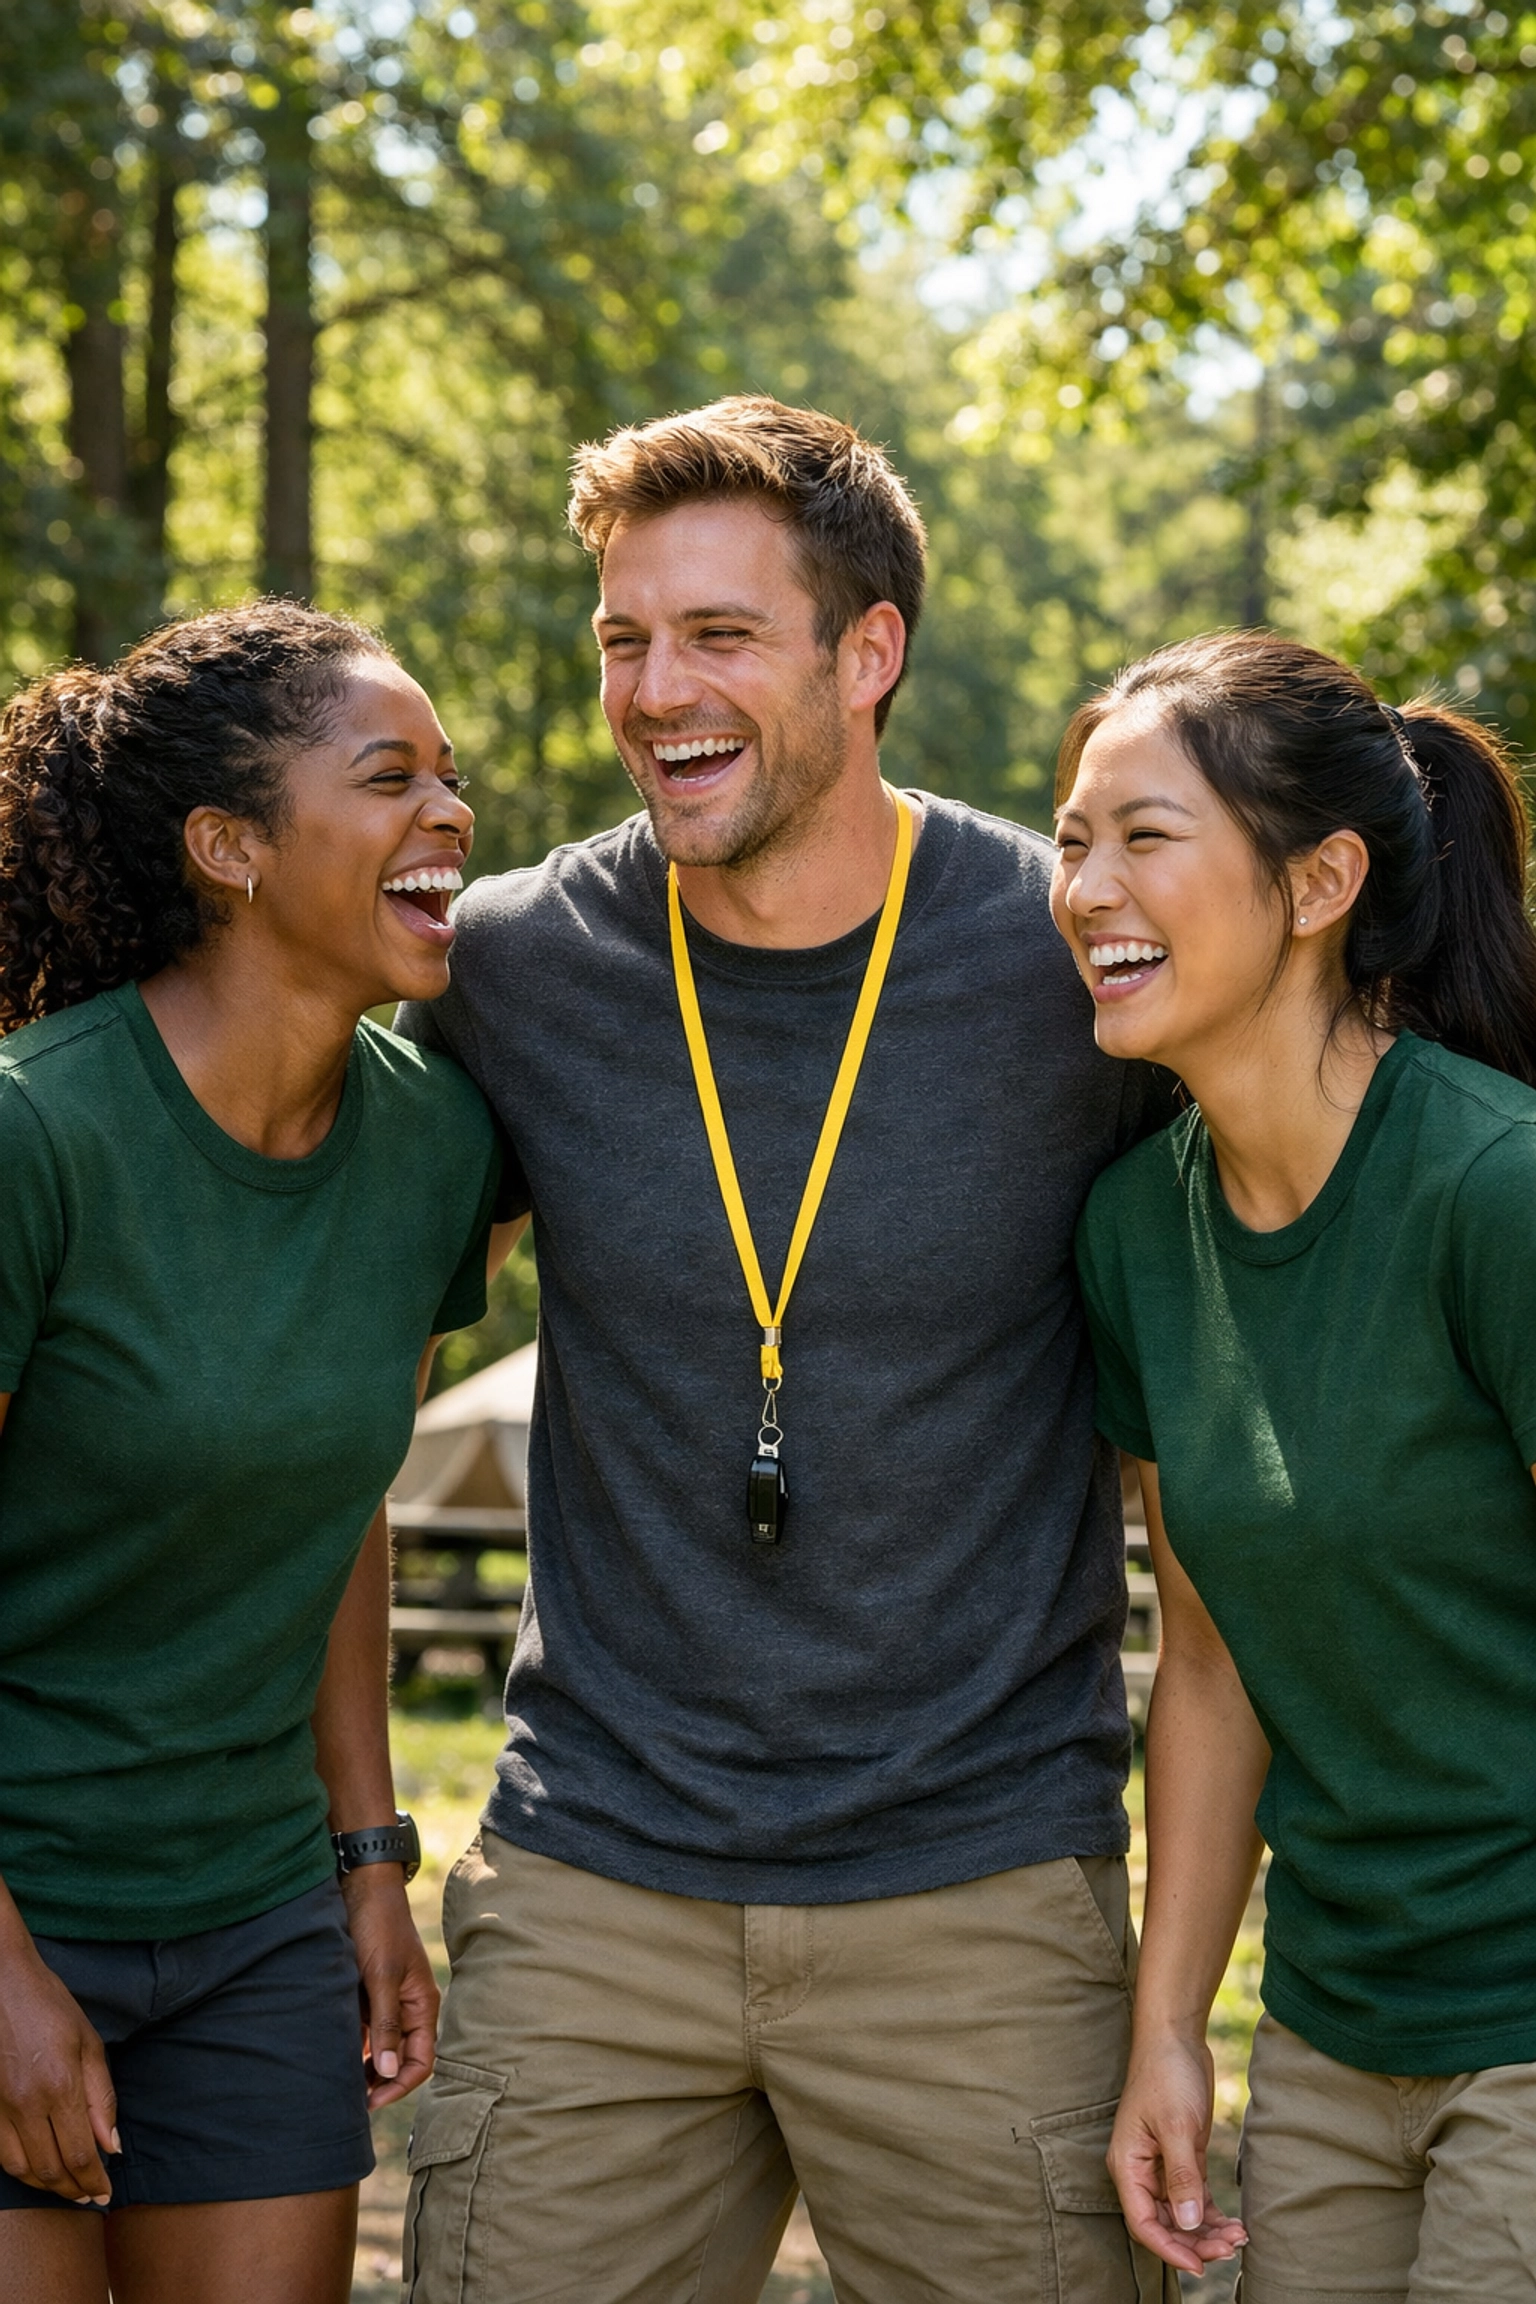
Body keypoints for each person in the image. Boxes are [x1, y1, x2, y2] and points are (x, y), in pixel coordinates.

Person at [393, 396, 1177, 2304]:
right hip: (594, 1883)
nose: (657, 690)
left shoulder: (1074, 961)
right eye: (623, 640)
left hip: (982, 1891)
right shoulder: (506, 966)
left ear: (869, 652)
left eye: (720, 636)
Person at [0, 602, 507, 2304]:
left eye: (451, 779)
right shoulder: (34, 1135)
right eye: (391, 779)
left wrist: (370, 1861)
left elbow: (335, 1508)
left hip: (252, 1922)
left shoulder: (433, 1140)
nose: (449, 815)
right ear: (228, 846)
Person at [1051, 631, 1536, 2298]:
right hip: (1335, 2033)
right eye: (1071, 839)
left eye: (1145, 836)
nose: (1087, 887)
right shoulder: (1135, 1231)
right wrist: (1167, 2035)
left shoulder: (1499, 1194)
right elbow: (1207, 1666)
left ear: (1321, 879)